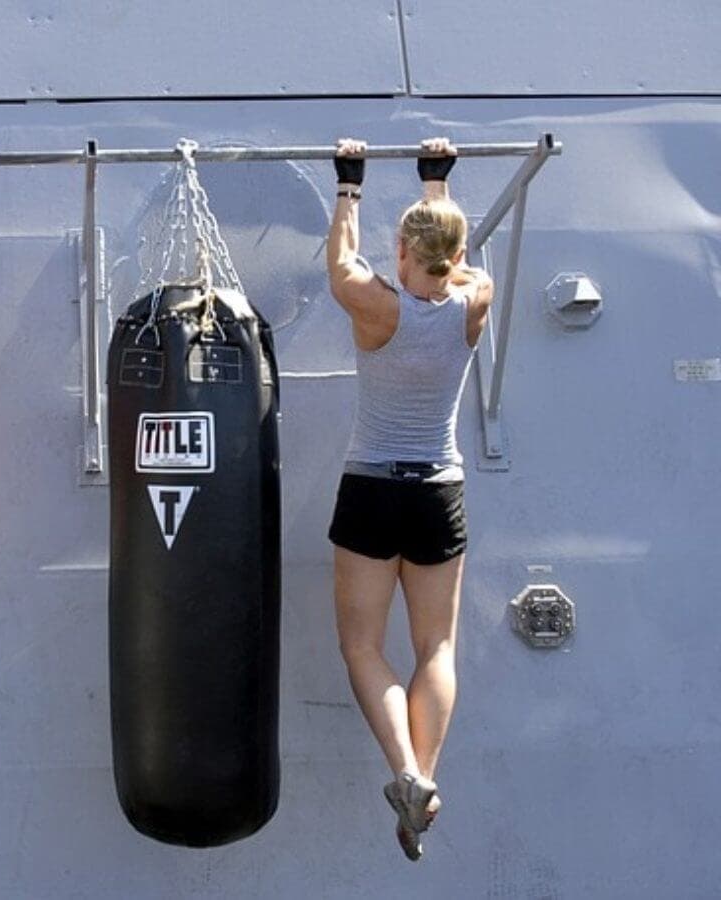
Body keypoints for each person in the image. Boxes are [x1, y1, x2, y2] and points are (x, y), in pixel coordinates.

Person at [325, 137, 493, 860]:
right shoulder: (473, 298)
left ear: (400, 251)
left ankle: (403, 768)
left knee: (364, 645)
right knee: (438, 647)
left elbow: (339, 261)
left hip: (371, 489)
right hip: (438, 492)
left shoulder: (374, 307)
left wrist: (349, 184)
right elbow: (449, 253)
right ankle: (424, 777)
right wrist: (436, 180)